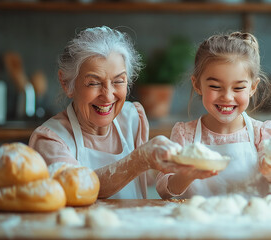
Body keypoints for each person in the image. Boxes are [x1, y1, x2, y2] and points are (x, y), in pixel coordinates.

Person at [29, 26, 195, 199]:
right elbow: (77, 189)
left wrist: (182, 171)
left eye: (118, 81)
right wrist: (139, 160)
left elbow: (144, 183)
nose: (108, 96)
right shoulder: (51, 139)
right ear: (66, 83)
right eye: (93, 83)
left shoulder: (132, 118)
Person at [156, 32, 271, 199]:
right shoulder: (185, 135)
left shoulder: (261, 132)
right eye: (215, 86)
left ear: (253, 88)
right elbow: (163, 189)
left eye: (238, 88)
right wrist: (186, 175)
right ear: (197, 85)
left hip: (252, 222)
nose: (227, 97)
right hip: (199, 222)